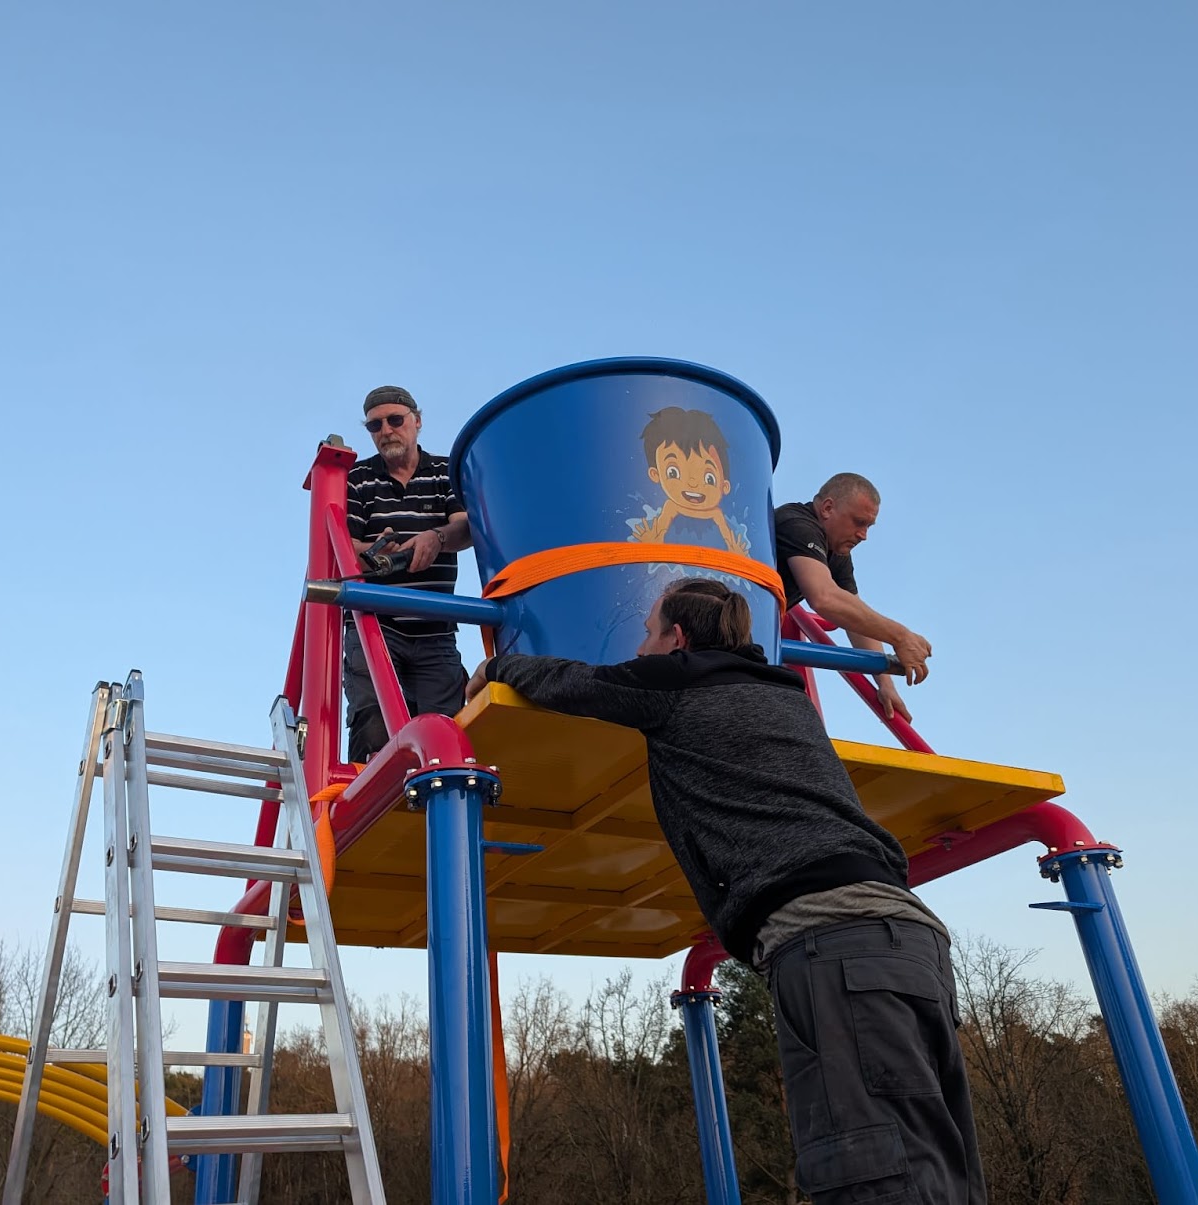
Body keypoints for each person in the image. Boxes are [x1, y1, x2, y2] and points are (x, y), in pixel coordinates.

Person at [466, 577, 985, 1204]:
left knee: (872, 1171)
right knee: (940, 1164)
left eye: (647, 632)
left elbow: (574, 682)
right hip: (913, 942)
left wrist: (497, 666)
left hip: (832, 946)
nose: (639, 646)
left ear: (677, 639)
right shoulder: (785, 695)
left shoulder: (673, 682)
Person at [342, 385, 473, 763]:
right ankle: (370, 798)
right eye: (375, 425)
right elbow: (344, 547)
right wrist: (376, 553)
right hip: (375, 625)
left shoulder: (445, 472)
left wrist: (436, 538)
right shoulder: (357, 478)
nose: (386, 431)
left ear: (417, 421)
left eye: (395, 420)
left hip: (436, 629)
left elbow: (466, 529)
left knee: (444, 734)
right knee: (374, 727)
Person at [776, 473, 932, 722]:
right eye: (859, 522)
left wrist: (885, 684)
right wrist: (900, 637)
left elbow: (853, 614)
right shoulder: (797, 523)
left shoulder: (836, 552)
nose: (863, 535)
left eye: (869, 526)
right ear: (828, 508)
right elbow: (825, 597)